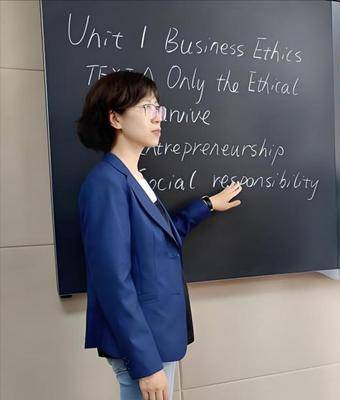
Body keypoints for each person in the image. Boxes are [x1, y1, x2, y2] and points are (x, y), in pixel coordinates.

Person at [77, 71, 242, 400]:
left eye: (158, 107)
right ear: (115, 118)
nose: (157, 117)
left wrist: (207, 205)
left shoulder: (134, 177)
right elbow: (112, 281)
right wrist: (146, 364)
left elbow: (158, 241)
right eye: (146, 108)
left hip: (159, 333)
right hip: (142, 345)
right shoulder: (106, 184)